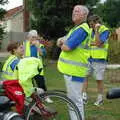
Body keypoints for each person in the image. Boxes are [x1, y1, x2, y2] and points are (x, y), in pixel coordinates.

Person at [57, 5, 90, 120]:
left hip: (75, 72)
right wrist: (62, 42)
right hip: (72, 71)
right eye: (73, 11)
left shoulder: (82, 29)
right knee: (73, 99)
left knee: (75, 100)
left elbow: (66, 47)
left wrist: (63, 42)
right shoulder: (75, 29)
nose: (74, 13)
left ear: (84, 15)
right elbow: (59, 42)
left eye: (77, 11)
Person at [82, 15, 110, 106]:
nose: (91, 26)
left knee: (99, 80)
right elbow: (87, 43)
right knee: (84, 76)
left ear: (97, 22)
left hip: (99, 59)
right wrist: (94, 43)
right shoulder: (90, 30)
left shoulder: (105, 30)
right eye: (90, 24)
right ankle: (84, 97)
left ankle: (100, 99)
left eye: (92, 24)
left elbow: (98, 43)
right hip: (89, 58)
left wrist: (97, 30)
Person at [23, 30, 53, 103]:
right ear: (28, 37)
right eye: (32, 37)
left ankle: (45, 97)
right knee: (30, 84)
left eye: (35, 37)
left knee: (41, 83)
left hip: (37, 68)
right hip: (28, 68)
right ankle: (32, 97)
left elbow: (43, 54)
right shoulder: (24, 44)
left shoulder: (39, 45)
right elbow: (21, 54)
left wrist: (37, 47)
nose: (34, 39)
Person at [1, 41, 25, 115]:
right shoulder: (17, 61)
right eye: (21, 48)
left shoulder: (10, 59)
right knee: (38, 91)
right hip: (13, 86)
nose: (23, 49)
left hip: (6, 84)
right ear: (15, 50)